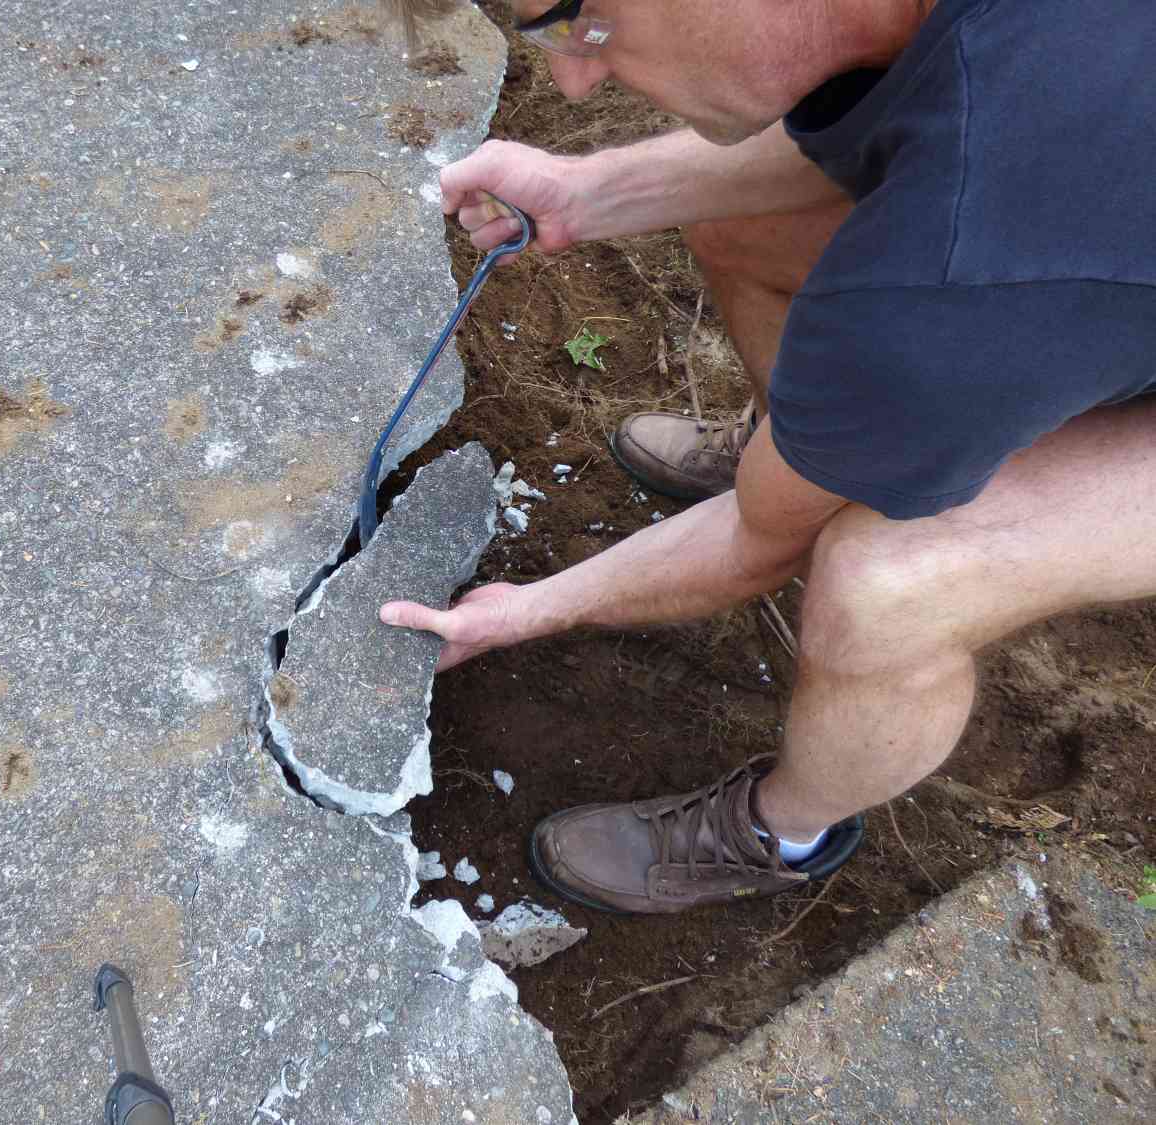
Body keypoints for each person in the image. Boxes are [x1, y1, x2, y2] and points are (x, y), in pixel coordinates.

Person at [378, 0, 1156, 915]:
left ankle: (785, 828)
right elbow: (907, 122)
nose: (574, 78)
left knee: (888, 584)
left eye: (583, 20)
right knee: (747, 232)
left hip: (1049, 259)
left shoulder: (950, 272)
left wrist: (524, 612)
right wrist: (586, 193)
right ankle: (816, 448)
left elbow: (758, 542)